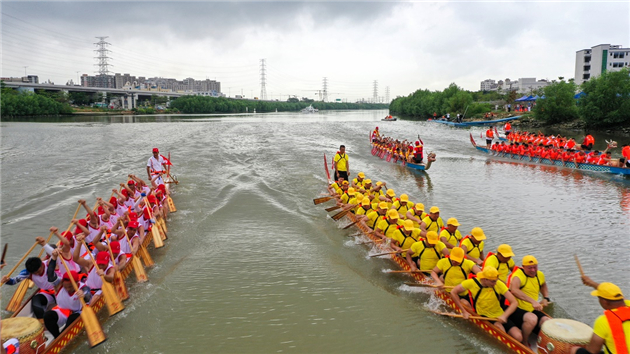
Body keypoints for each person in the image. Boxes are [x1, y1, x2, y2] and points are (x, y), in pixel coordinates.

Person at [450, 267, 525, 343]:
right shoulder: (471, 283)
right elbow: (453, 292)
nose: (495, 283)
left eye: (496, 281)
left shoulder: (498, 284)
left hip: (499, 315)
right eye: (493, 282)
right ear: (485, 279)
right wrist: (464, 311)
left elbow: (514, 302)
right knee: (501, 331)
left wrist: (505, 316)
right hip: (484, 316)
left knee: (518, 337)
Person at [1, 237, 59, 319]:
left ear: (41, 264)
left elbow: (56, 255)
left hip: (61, 291)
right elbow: (13, 281)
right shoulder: (28, 272)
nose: (38, 273)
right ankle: (42, 323)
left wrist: (43, 244)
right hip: (47, 293)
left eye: (39, 271)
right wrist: (6, 280)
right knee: (35, 302)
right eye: (35, 273)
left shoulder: (50, 263)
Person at [570, 282, 630, 354]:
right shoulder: (627, 304)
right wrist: (590, 282)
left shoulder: (604, 321)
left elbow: (592, 351)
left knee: (575, 350)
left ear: (604, 301)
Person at [43, 253, 92, 338]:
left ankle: (63, 337)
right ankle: (57, 337)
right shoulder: (59, 285)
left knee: (72, 318)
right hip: (63, 312)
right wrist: (54, 258)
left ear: (77, 282)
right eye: (66, 287)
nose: (68, 289)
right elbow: (50, 274)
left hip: (77, 313)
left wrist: (83, 295)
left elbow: (88, 296)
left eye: (70, 287)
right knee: (47, 316)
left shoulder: (83, 287)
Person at [508, 255, 551, 343]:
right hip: (517, 309)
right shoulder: (518, 276)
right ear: (523, 267)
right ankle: (524, 342)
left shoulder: (540, 275)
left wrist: (546, 298)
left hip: (532, 308)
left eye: (535, 267)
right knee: (532, 319)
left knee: (547, 321)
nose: (533, 270)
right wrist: (533, 301)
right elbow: (514, 290)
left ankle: (544, 343)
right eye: (529, 268)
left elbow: (543, 285)